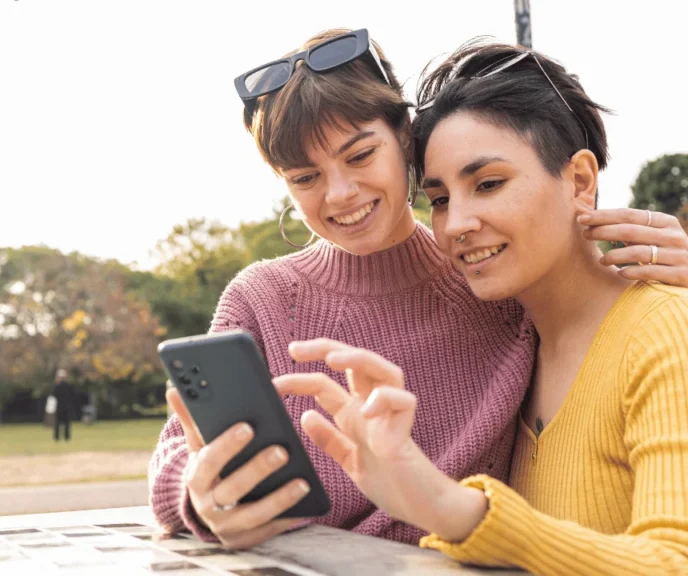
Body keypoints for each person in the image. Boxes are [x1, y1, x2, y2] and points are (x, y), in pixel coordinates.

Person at [147, 27, 688, 550]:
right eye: (304, 177)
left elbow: (590, 298)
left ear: (406, 139)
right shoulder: (262, 298)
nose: (339, 194)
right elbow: (176, 454)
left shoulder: (493, 285)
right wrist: (199, 493)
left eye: (360, 156)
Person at [51, 368, 76, 442]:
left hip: (59, 408)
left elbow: (53, 396)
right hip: (67, 407)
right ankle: (67, 437)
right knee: (67, 424)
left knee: (57, 423)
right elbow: (73, 395)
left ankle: (57, 437)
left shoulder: (57, 386)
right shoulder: (69, 386)